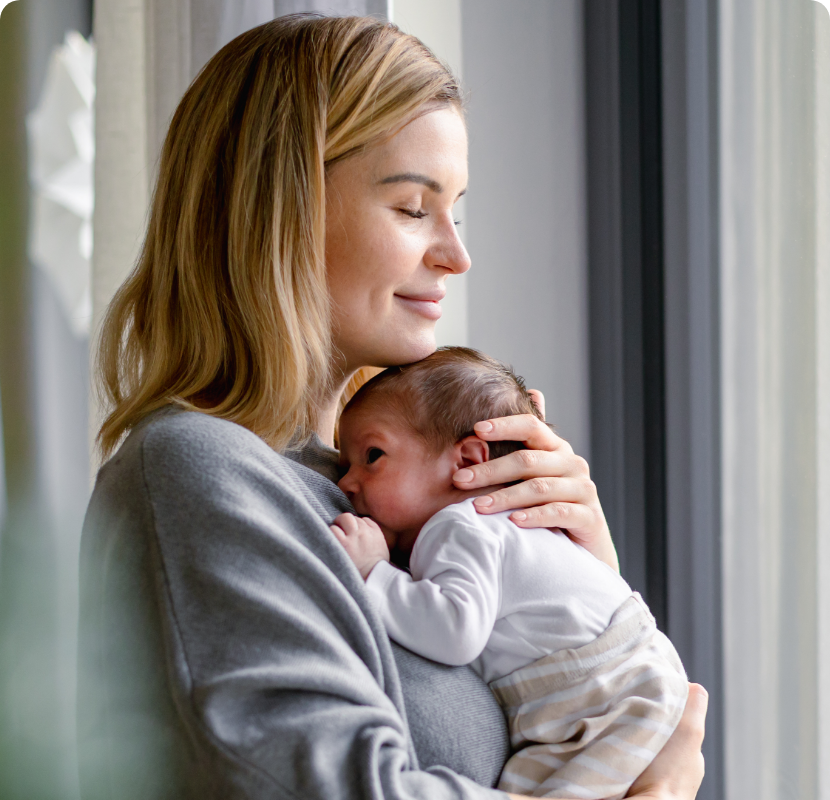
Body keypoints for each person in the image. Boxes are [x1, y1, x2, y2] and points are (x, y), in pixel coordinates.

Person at [78, 14, 707, 800]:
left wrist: (579, 588)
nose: (456, 253)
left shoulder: (382, 489)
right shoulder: (202, 475)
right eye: (414, 208)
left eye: (458, 211)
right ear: (283, 211)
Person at [332, 347, 688, 800]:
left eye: (373, 455)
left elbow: (454, 632)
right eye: (345, 465)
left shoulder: (461, 524)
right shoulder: (505, 523)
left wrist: (372, 572)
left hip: (602, 697)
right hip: (626, 681)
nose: (346, 483)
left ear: (467, 461)